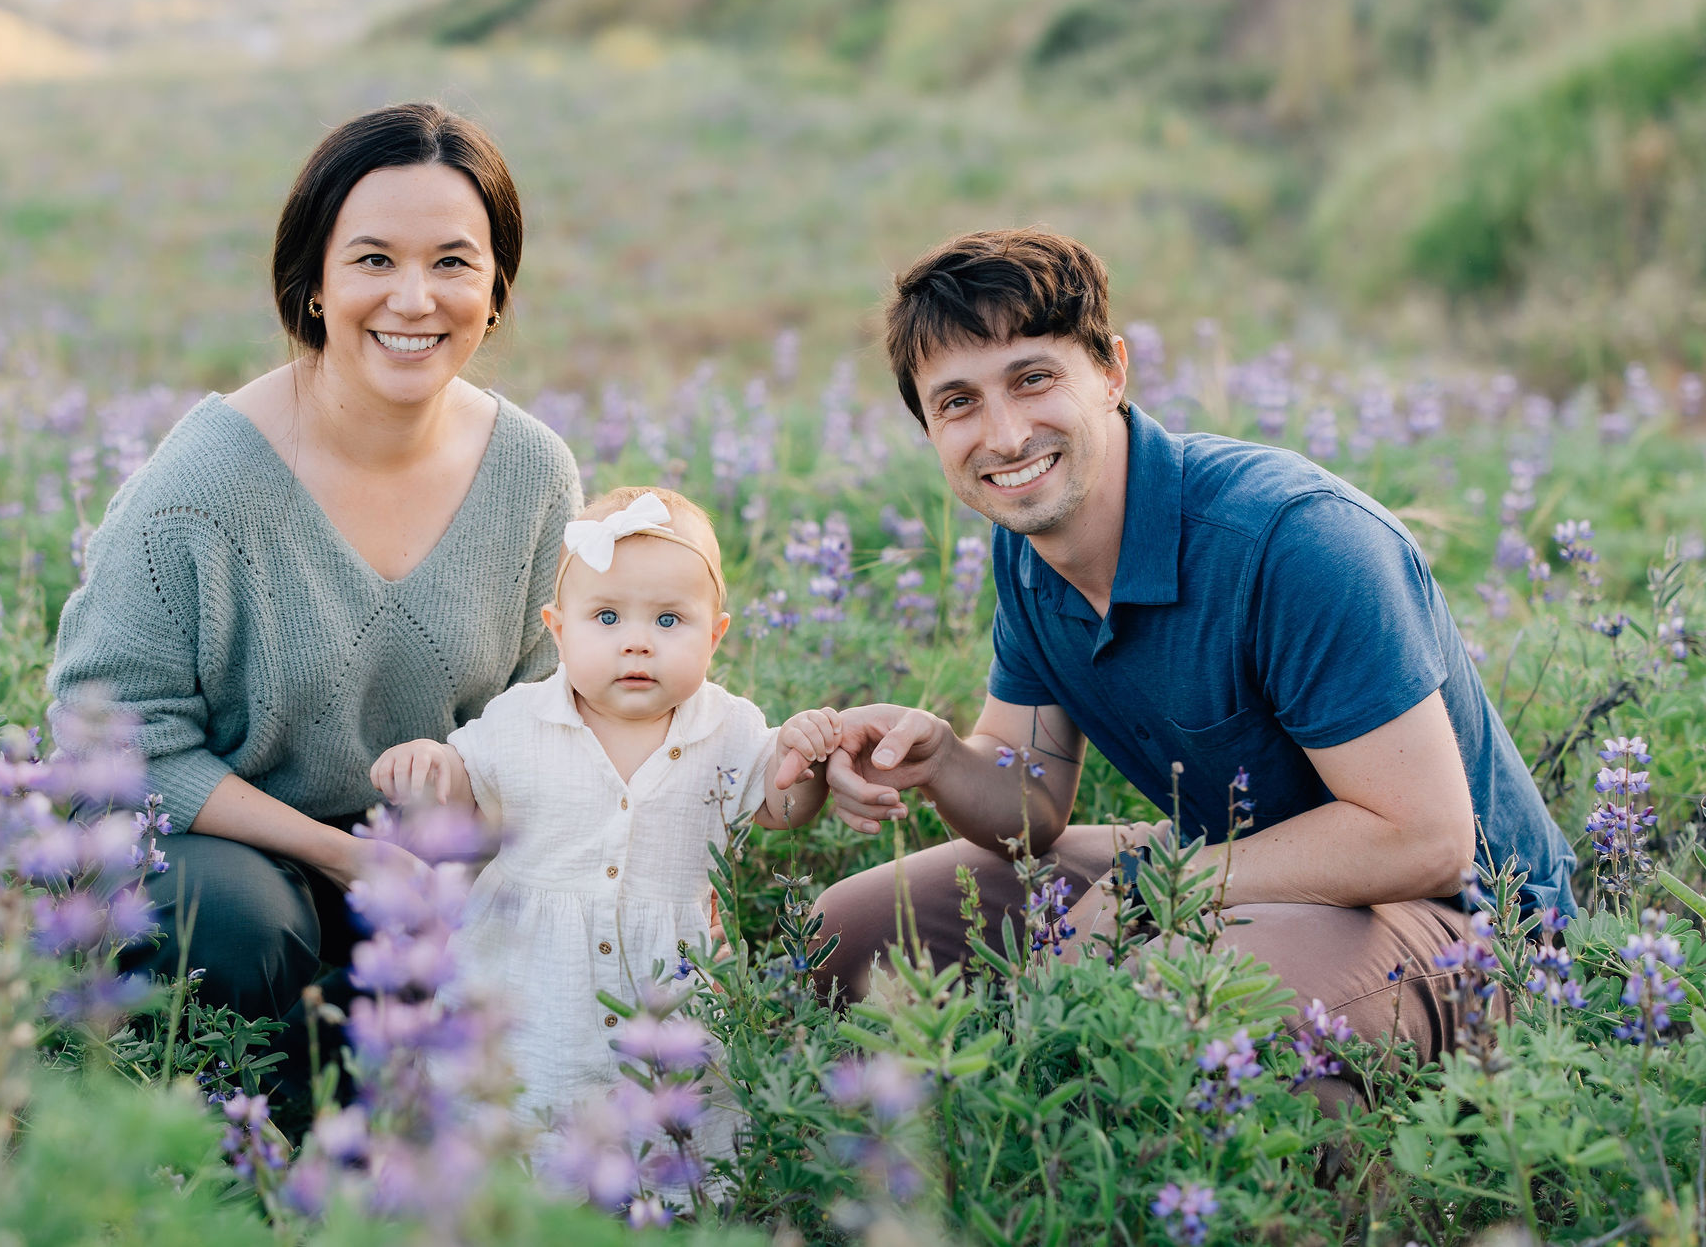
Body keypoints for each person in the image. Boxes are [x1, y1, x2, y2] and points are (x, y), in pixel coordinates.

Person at [810, 227, 1576, 1078]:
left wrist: (1148, 893)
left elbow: (1427, 838)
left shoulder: (1295, 540)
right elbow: (1029, 805)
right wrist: (941, 755)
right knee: (849, 932)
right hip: (1240, 866)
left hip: (1468, 920)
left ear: (1111, 371)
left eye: (1033, 378)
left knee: (1167, 1003)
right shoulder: (1030, 547)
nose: (1005, 434)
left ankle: (1290, 1187)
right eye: (958, 402)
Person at [47, 103, 582, 1095]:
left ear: (496, 290)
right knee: (241, 926)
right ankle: (253, 1165)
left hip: (430, 863)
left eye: (453, 263)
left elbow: (554, 717)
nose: (414, 300)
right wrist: (339, 857)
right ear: (314, 285)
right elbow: (112, 745)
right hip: (233, 850)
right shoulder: (200, 486)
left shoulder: (535, 476)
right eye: (373, 259)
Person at [372, 486, 839, 1145]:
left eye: (669, 620)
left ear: (716, 633)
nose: (638, 643)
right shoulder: (518, 718)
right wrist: (427, 765)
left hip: (669, 986)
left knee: (676, 1140)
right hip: (529, 986)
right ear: (557, 628)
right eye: (608, 618)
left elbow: (783, 805)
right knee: (516, 1122)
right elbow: (463, 785)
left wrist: (804, 759)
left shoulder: (730, 728)